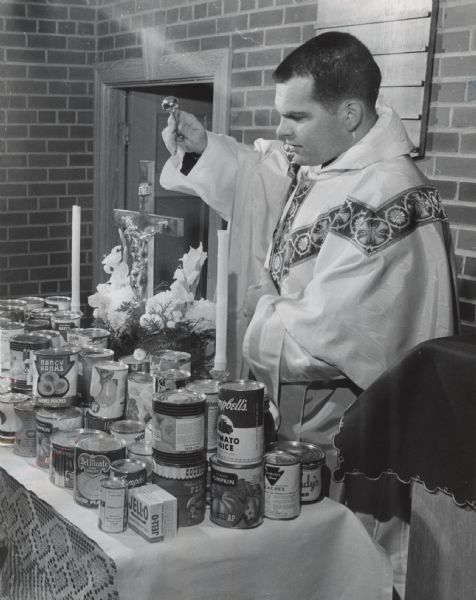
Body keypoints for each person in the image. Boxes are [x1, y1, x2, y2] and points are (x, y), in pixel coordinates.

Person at [160, 32, 457, 596]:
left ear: (349, 113)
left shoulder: (389, 200)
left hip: (353, 430)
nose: (281, 131)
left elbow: (331, 339)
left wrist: (260, 314)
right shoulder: (334, 162)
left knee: (336, 569)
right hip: (304, 419)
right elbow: (263, 179)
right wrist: (202, 150)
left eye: (296, 116)